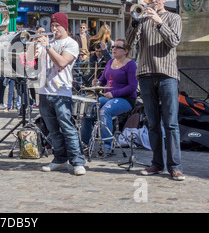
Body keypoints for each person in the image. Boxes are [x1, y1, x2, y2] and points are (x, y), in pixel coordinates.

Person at [126, 0, 185, 181]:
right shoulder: (141, 18)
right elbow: (128, 43)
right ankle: (157, 164)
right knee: (152, 123)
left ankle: (175, 166)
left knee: (170, 124)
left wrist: (159, 22)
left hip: (167, 75)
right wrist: (135, 21)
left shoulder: (174, 17)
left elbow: (174, 41)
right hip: (145, 74)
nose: (152, 1)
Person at [31, 12, 86, 175]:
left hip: (61, 91)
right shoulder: (47, 42)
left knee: (67, 127)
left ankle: (77, 161)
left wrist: (47, 46)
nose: (54, 29)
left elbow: (61, 62)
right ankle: (60, 158)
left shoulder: (71, 43)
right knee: (52, 130)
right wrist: (35, 42)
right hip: (44, 91)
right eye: (52, 26)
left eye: (57, 26)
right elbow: (31, 58)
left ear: (65, 27)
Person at [80, 39, 138, 153]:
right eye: (113, 47)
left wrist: (114, 94)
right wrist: (97, 83)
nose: (114, 49)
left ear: (125, 51)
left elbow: (132, 87)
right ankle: (85, 143)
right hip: (108, 96)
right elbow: (102, 81)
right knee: (87, 111)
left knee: (104, 111)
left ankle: (107, 145)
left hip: (125, 99)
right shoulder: (110, 62)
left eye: (117, 47)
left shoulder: (131, 65)